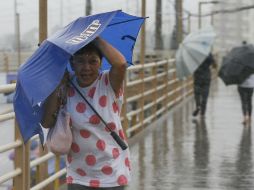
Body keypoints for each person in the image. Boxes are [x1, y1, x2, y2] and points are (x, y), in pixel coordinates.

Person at [41, 37, 130, 190]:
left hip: (112, 171)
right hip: (78, 173)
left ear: (100, 63)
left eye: (93, 61)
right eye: (80, 61)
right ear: (71, 63)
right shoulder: (65, 85)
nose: (86, 67)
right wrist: (57, 84)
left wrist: (95, 38)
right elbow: (47, 122)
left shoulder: (108, 82)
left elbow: (121, 64)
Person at [192, 53, 216, 118]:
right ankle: (203, 113)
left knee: (197, 93)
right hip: (206, 77)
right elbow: (214, 65)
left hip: (197, 76)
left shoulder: (195, 54)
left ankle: (198, 106)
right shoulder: (209, 54)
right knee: (205, 94)